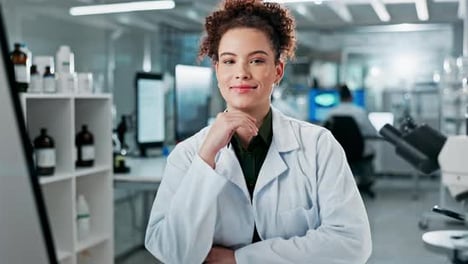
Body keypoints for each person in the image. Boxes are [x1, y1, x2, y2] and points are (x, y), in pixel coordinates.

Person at [145, 1, 372, 263]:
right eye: (229, 61)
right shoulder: (188, 155)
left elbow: (351, 244)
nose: (241, 73)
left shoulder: (318, 146)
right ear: (217, 70)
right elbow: (173, 253)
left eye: (256, 60)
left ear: (278, 70)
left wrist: (239, 259)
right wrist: (206, 157)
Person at [324, 84, 378, 196]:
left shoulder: (331, 113)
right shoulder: (359, 112)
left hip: (337, 151)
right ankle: (365, 182)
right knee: (370, 150)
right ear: (351, 97)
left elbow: (324, 131)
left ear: (339, 97)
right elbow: (372, 132)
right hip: (357, 152)